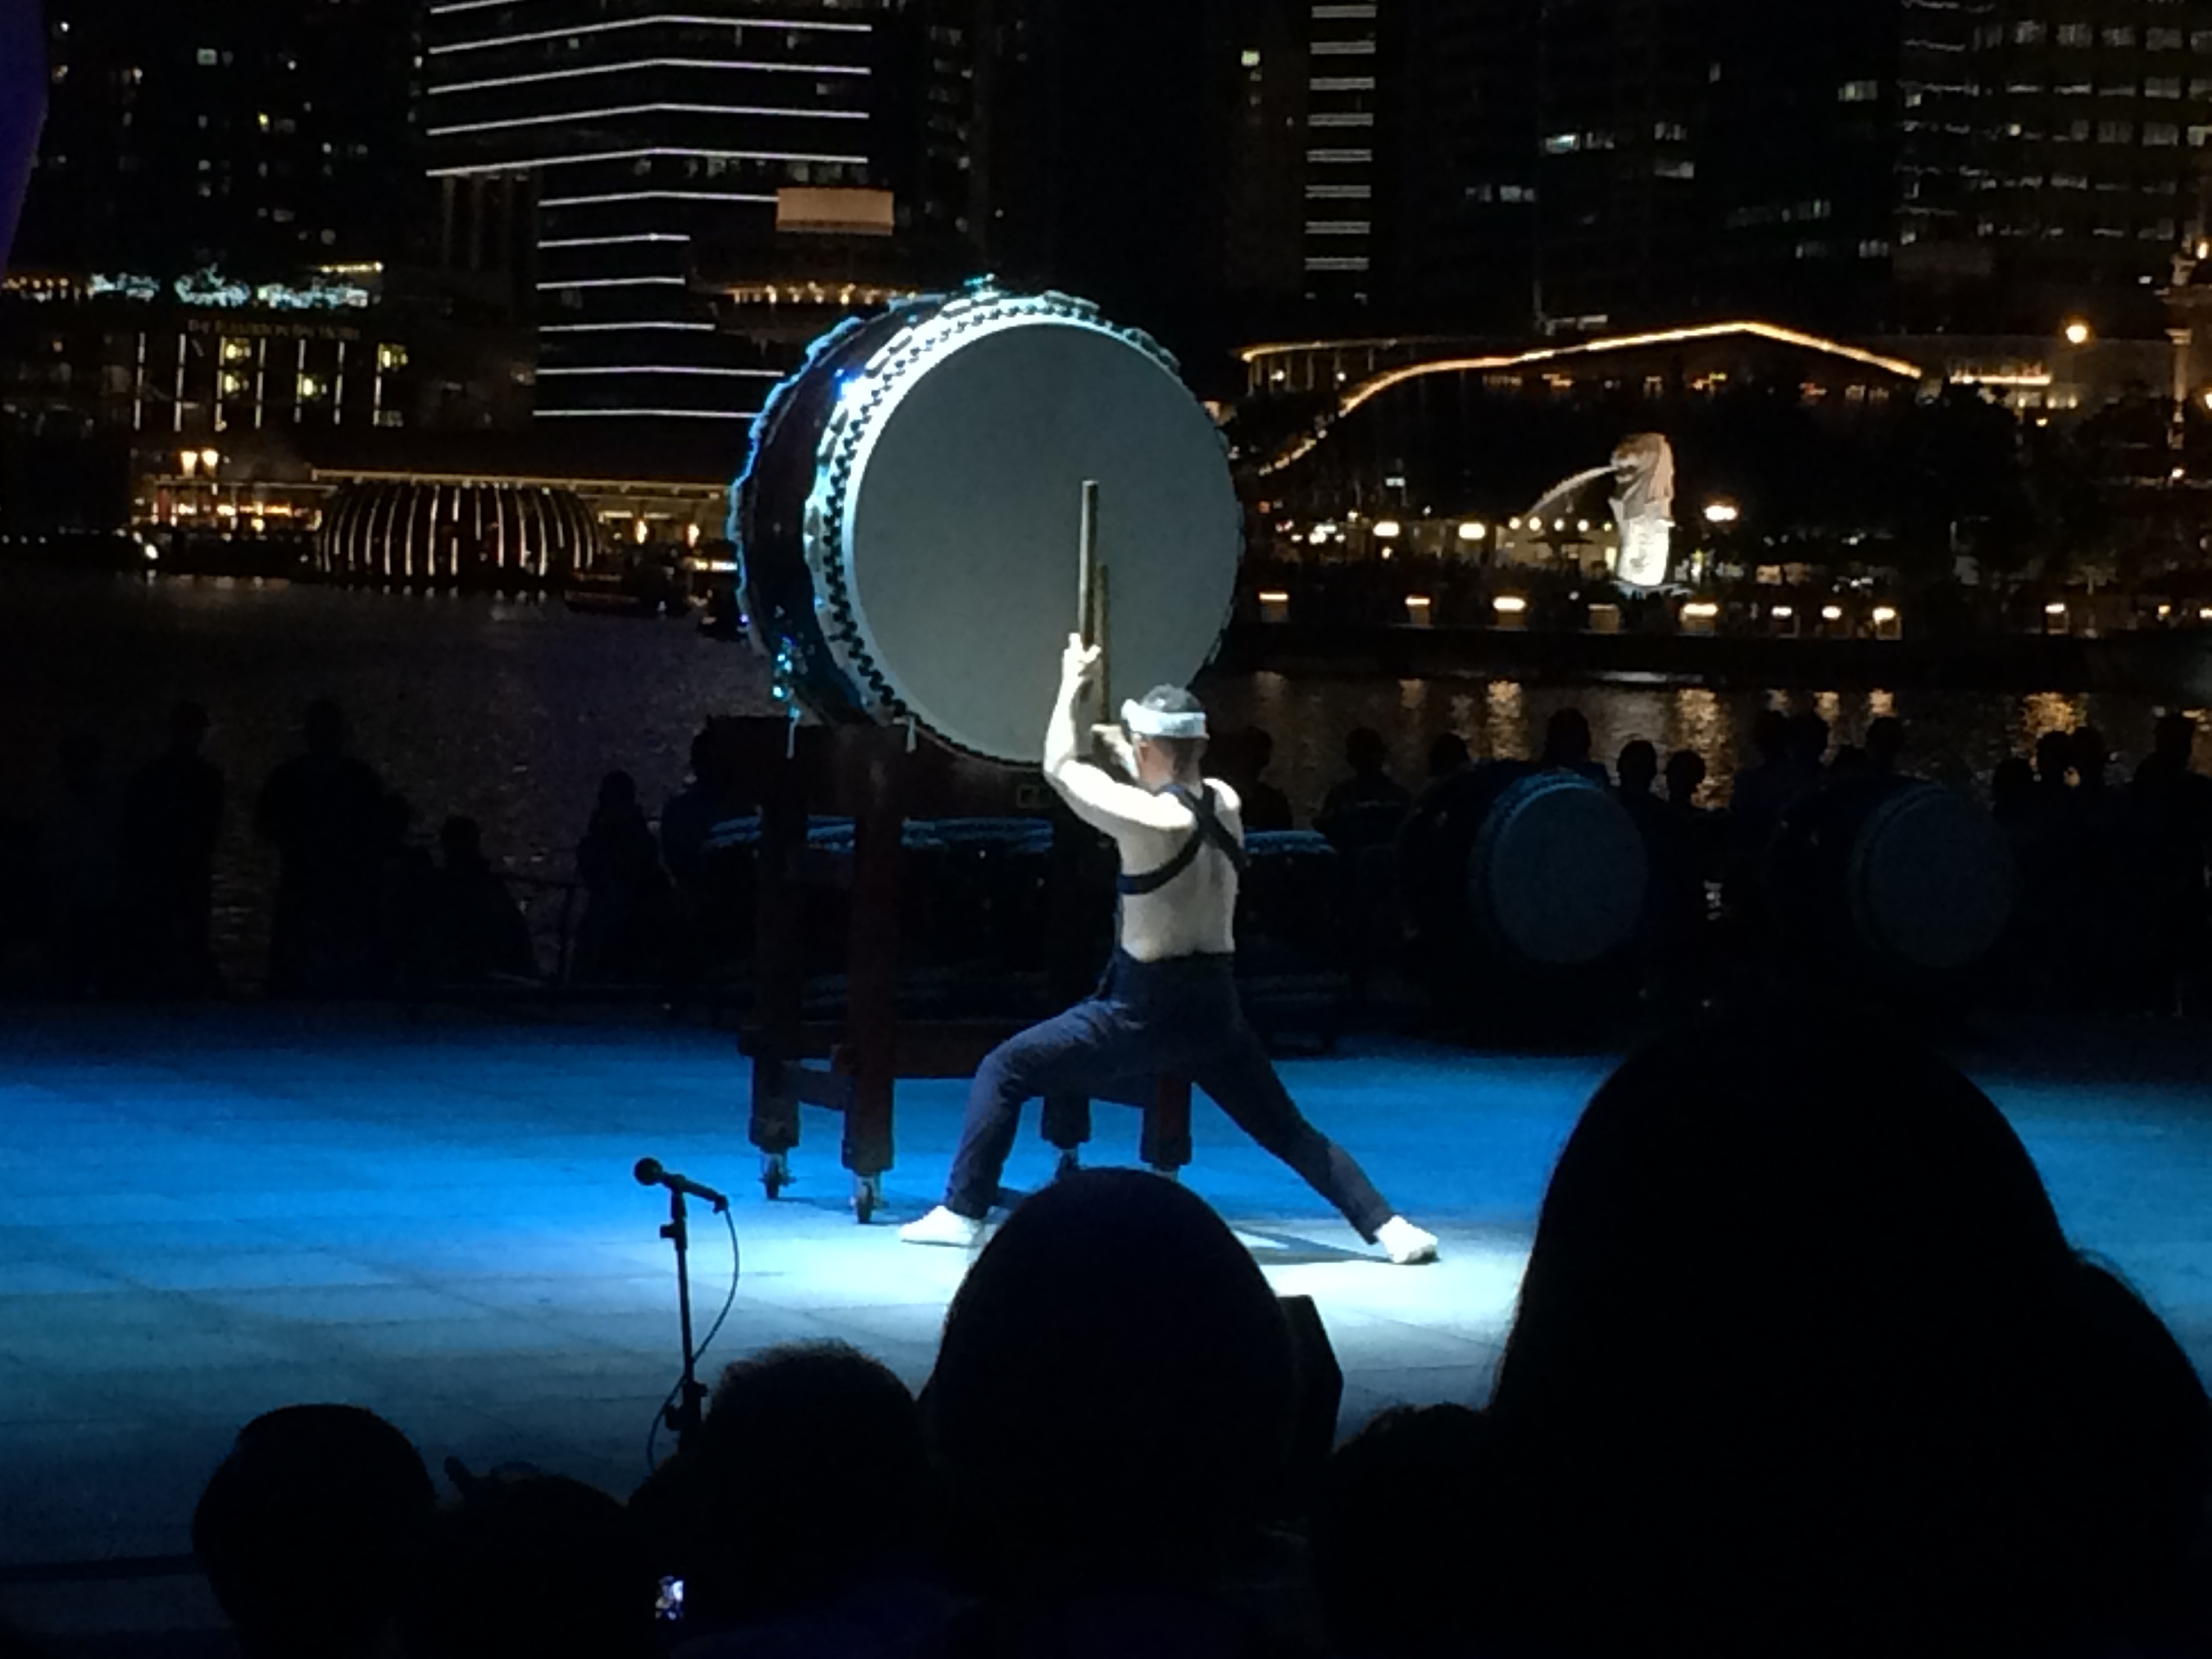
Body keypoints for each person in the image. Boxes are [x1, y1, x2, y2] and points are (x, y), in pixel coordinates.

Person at [901, 636, 1437, 1265]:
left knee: (1006, 1069)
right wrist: (1126, 751)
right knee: (1287, 1130)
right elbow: (1171, 790)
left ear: (1148, 748)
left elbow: (1060, 769)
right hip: (1217, 1010)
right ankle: (1391, 1228)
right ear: (1201, 747)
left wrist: (1073, 684)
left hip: (1141, 1011)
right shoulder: (1227, 802)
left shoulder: (1148, 823)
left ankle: (963, 1212)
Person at [1314, 727, 1411, 852]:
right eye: (1361, 753)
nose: (1367, 758)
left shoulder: (1399, 795)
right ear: (1351, 759)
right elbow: (1326, 828)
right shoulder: (1341, 794)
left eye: (1371, 751)